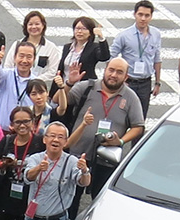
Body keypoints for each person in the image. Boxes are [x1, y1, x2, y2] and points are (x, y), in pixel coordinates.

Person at [59, 59, 145, 190]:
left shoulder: (131, 97)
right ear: (105, 70)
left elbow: (138, 127)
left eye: (119, 72)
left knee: (100, 198)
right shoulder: (86, 87)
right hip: (77, 154)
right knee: (71, 198)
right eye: (111, 70)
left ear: (126, 77)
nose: (114, 75)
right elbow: (57, 102)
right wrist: (69, 83)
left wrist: (120, 142)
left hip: (106, 159)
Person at [21, 120, 89, 220]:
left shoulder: (71, 161)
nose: (56, 140)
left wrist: (84, 170)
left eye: (60, 137)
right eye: (52, 136)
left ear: (65, 141)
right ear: (44, 139)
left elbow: (84, 182)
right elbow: (28, 177)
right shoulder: (35, 158)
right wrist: (39, 168)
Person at [109, 1, 164, 110]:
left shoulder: (156, 34)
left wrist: (157, 82)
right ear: (134, 14)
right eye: (140, 14)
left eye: (147, 15)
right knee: (123, 113)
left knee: (141, 116)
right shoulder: (124, 35)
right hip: (129, 82)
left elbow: (157, 59)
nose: (143, 18)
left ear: (151, 16)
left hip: (145, 82)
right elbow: (111, 57)